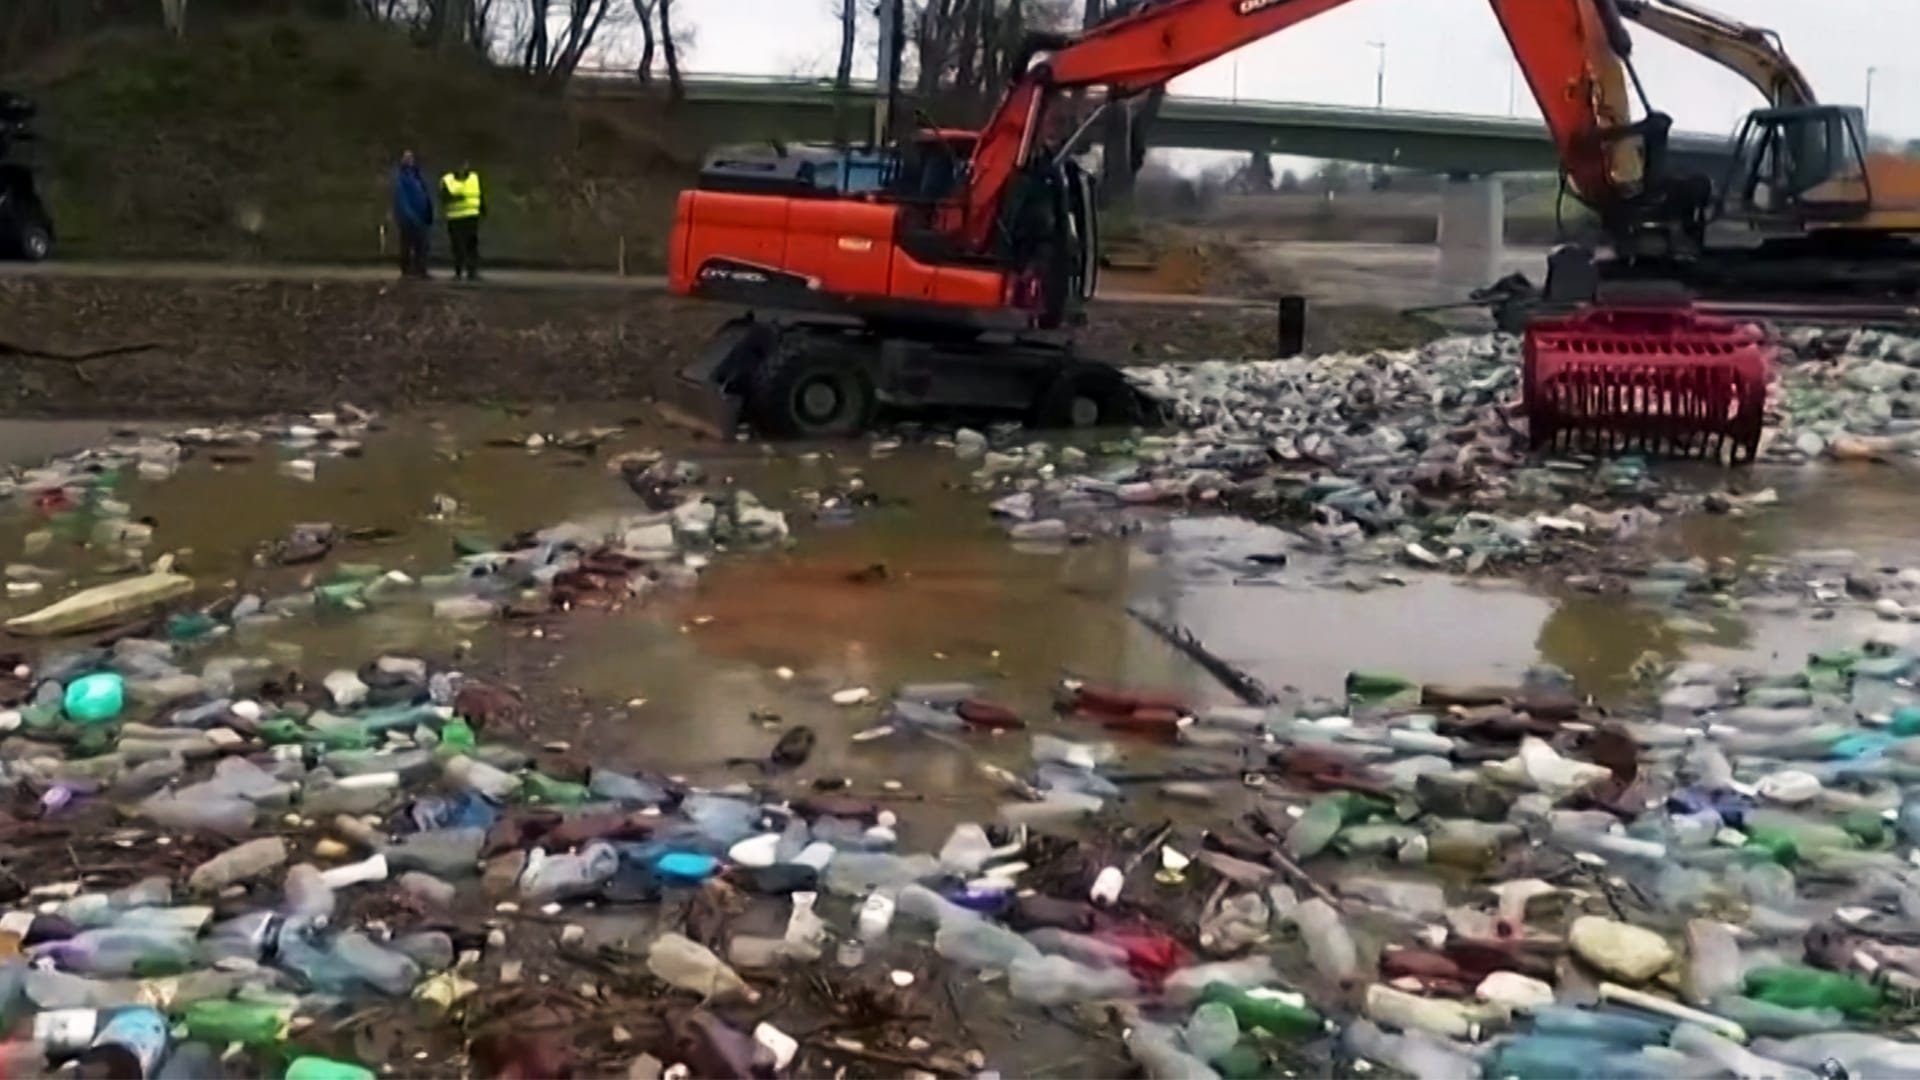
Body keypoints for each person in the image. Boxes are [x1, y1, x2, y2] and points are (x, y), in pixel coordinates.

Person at [390, 150, 433, 279]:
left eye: (411, 158)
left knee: (422, 245)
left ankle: (421, 269)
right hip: (408, 218)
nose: (409, 161)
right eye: (406, 158)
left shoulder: (418, 176)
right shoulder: (402, 178)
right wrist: (410, 216)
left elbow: (425, 194)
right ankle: (407, 270)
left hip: (422, 216)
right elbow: (401, 199)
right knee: (407, 245)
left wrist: (429, 211)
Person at [439, 160, 484, 281]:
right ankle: (458, 271)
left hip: (471, 216)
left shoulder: (474, 178)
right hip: (455, 217)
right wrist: (455, 198)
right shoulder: (448, 180)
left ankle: (472, 272)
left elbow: (480, 194)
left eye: (465, 165)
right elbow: (444, 198)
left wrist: (482, 209)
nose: (463, 168)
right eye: (460, 165)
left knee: (472, 245)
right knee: (457, 246)